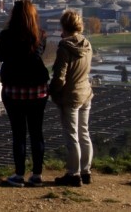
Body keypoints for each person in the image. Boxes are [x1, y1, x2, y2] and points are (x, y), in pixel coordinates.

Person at [0, 0, 49, 187]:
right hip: (38, 90)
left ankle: (18, 174)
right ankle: (37, 174)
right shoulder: (40, 35)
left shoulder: (5, 35)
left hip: (14, 90)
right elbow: (38, 55)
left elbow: (0, 56)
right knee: (36, 132)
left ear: (13, 15)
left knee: (18, 133)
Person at [48, 9, 94, 187]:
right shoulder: (87, 44)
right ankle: (86, 170)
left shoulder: (64, 48)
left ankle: (73, 174)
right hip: (86, 93)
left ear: (63, 26)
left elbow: (60, 76)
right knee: (84, 133)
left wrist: (52, 91)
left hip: (70, 96)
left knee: (71, 136)